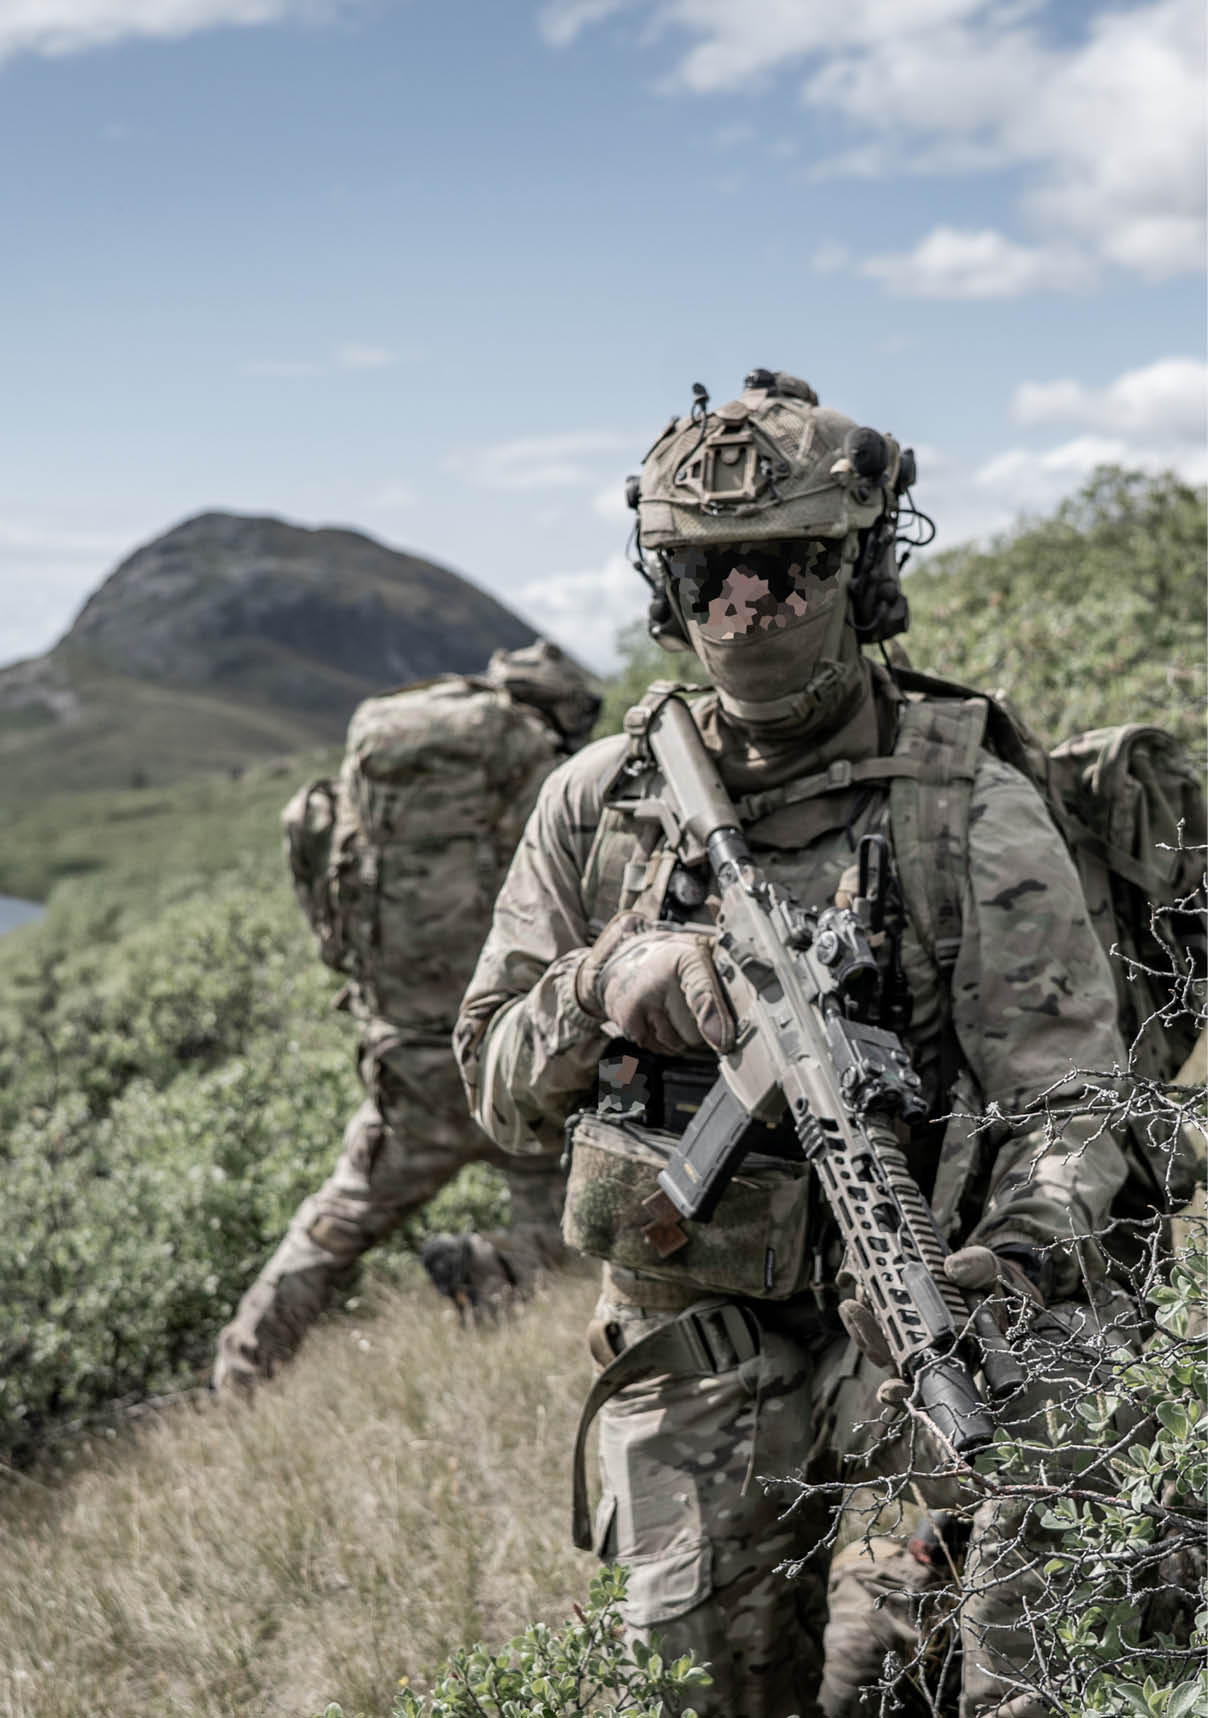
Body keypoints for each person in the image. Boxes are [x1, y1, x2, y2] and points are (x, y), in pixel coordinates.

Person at [454, 370, 1138, 1717]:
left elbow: (1071, 1105)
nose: (743, 609)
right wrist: (610, 982)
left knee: (974, 1658)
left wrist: (1014, 1253)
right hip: (693, 1349)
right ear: (666, 591)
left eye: (784, 570)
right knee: (688, 1687)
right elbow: (491, 1088)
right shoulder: (600, 805)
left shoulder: (967, 810)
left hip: (923, 1324)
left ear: (859, 571)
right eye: (706, 578)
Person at [213, 640, 600, 1394]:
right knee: (587, 1222)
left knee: (336, 1223)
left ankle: (240, 1375)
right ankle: (500, 1264)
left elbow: (319, 858)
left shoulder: (390, 784)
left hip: (408, 1063)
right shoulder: (535, 770)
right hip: (517, 1062)